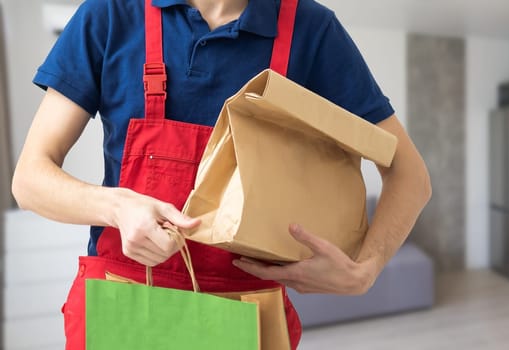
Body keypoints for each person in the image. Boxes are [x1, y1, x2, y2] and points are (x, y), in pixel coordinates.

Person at [11, 0, 432, 348]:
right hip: (119, 306)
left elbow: (409, 175)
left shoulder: (310, 31)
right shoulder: (110, 15)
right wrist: (117, 206)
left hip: (247, 319)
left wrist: (367, 269)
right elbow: (30, 178)